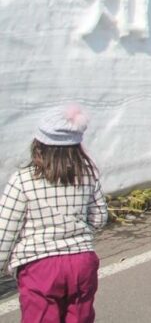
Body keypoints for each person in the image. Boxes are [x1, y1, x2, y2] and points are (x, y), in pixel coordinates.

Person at [0, 105, 108, 322]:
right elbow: (99, 218)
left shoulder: (23, 180)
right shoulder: (87, 174)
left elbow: (5, 229)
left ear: (38, 144)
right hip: (81, 261)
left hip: (39, 265)